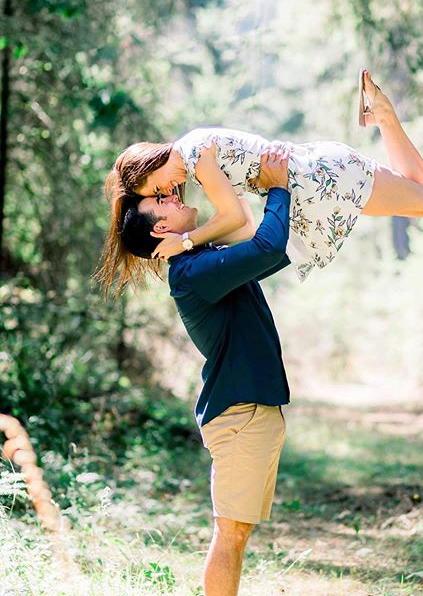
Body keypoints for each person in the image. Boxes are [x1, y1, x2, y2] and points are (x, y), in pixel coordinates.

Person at [98, 69, 423, 292]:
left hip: (319, 182)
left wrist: (187, 242)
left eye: (154, 188)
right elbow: (238, 219)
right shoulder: (194, 149)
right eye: (156, 197)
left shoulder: (193, 154)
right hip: (319, 173)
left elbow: (238, 218)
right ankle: (383, 116)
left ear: (149, 168)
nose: (163, 194)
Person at [112, 154, 292, 596]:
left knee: (236, 532)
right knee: (230, 534)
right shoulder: (193, 273)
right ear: (160, 229)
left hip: (250, 413)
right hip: (240, 416)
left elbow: (243, 223)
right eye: (164, 200)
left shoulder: (198, 258)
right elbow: (269, 244)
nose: (175, 196)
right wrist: (279, 187)